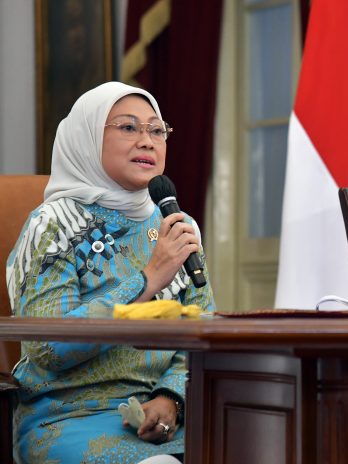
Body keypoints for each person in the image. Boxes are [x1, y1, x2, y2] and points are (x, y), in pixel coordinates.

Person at [6, 82, 215, 463]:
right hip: (71, 417)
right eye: (128, 127)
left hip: (169, 417)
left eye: (156, 129)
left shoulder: (176, 226)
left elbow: (202, 331)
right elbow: (47, 345)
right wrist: (147, 280)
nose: (147, 141)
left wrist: (170, 398)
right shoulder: (55, 224)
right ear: (86, 138)